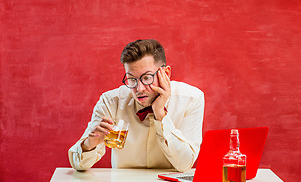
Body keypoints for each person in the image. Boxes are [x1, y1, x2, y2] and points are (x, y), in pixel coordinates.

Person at [68, 39, 205, 172]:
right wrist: (90, 144)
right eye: (132, 79)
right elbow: (77, 164)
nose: (139, 89)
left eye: (146, 78)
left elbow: (185, 164)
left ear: (166, 73)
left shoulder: (192, 99)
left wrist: (160, 114)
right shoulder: (111, 101)